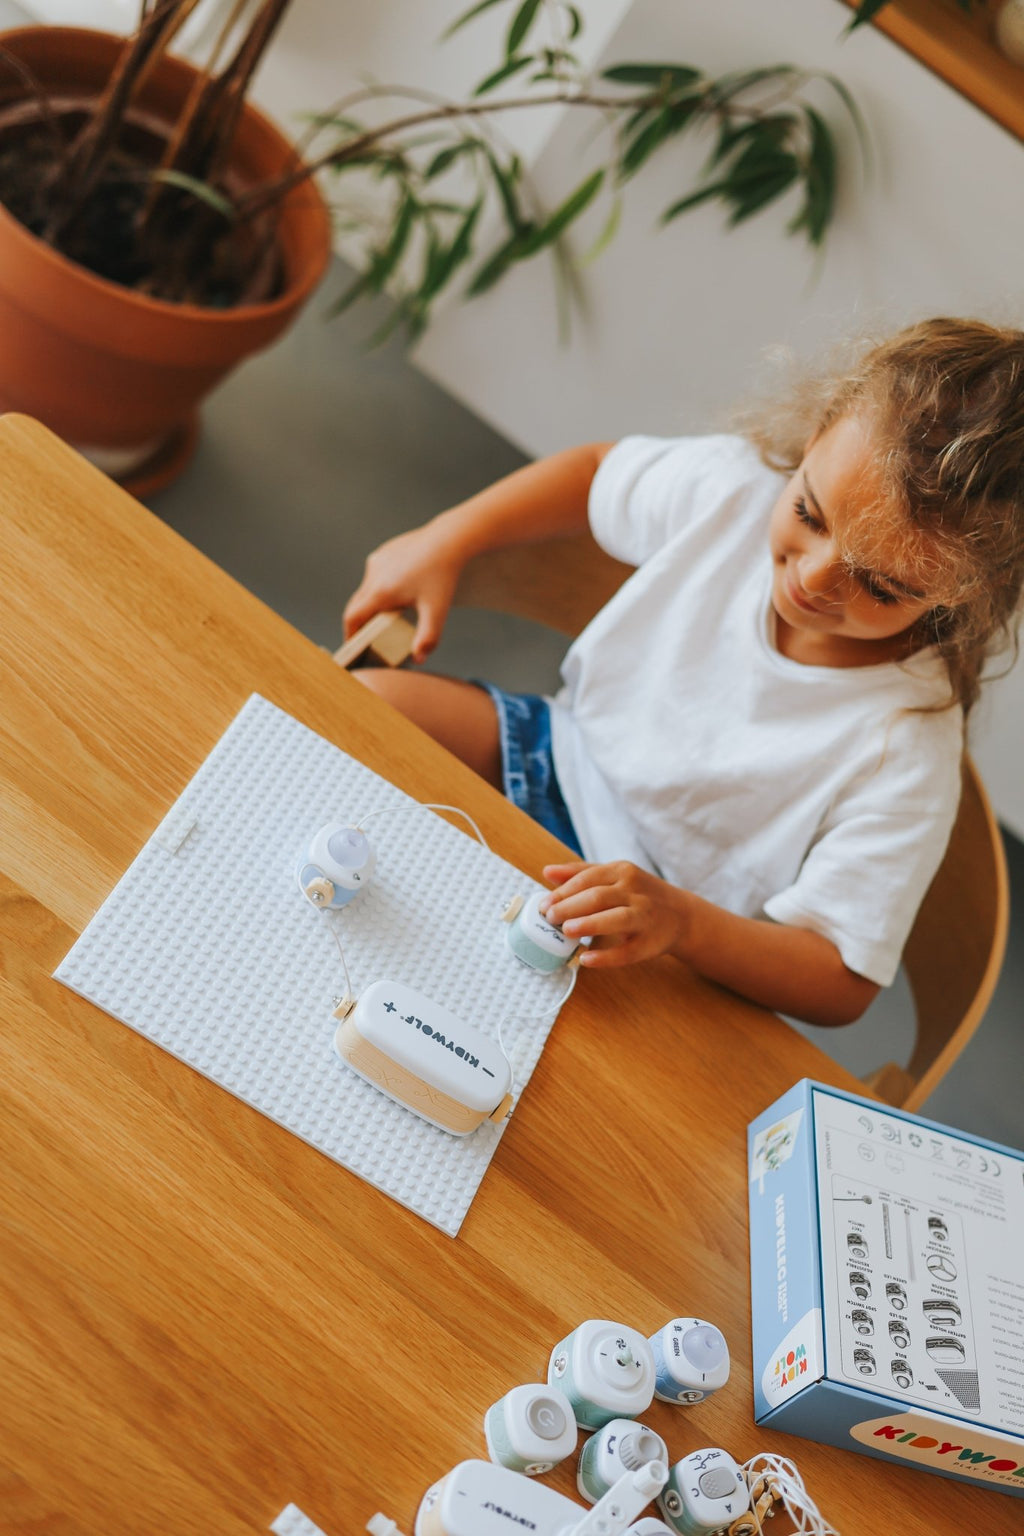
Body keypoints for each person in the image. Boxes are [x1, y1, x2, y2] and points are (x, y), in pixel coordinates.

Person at [342, 318, 1024, 1027]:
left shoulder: (906, 744)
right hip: (555, 755)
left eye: (880, 585)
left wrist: (684, 925)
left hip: (660, 942)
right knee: (360, 704)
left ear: (965, 594)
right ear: (816, 435)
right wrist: (443, 540)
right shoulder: (731, 490)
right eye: (808, 512)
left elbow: (840, 978)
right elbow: (595, 474)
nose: (814, 579)